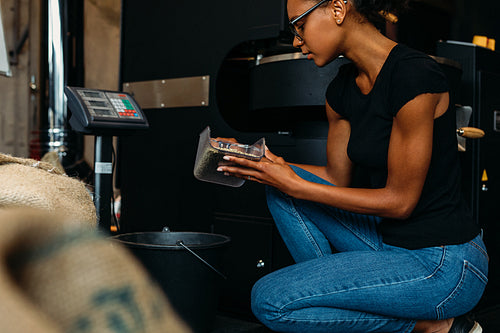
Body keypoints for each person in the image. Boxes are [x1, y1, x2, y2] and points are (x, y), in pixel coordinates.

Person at [216, 0, 488, 332]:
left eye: (299, 26)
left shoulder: (414, 76)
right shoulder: (341, 90)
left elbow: (400, 202)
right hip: (387, 245)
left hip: (443, 263)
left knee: (270, 301)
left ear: (337, 9)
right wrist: (266, 166)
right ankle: (359, 306)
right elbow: (335, 178)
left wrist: (294, 183)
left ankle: (434, 327)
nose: (297, 40)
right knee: (280, 190)